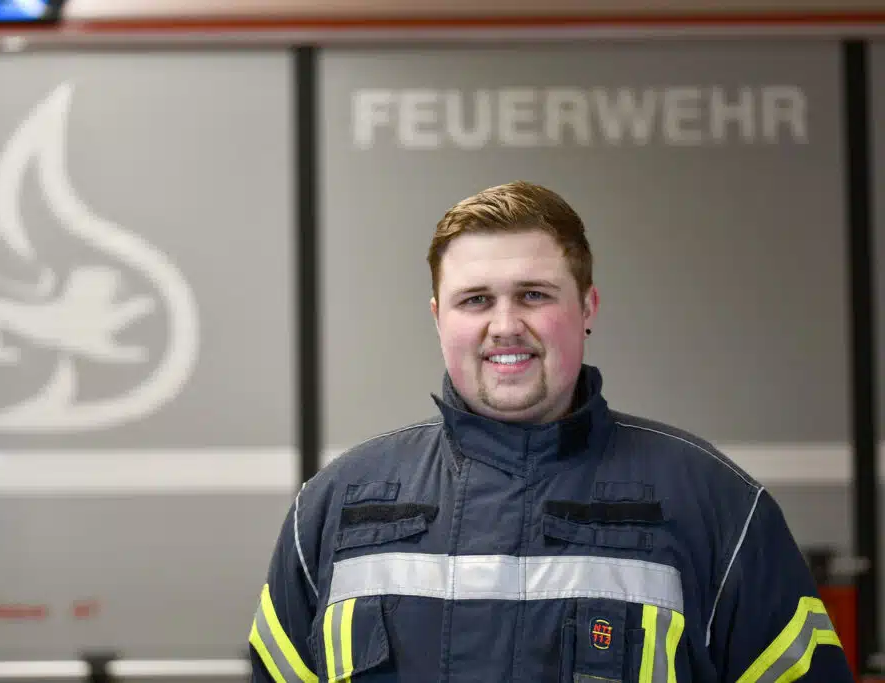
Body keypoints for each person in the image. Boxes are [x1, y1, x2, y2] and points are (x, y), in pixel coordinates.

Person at [246, 181, 853, 682]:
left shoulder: (715, 505)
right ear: (438, 318)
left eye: (533, 295)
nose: (505, 325)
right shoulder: (333, 507)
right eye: (475, 300)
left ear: (587, 308)